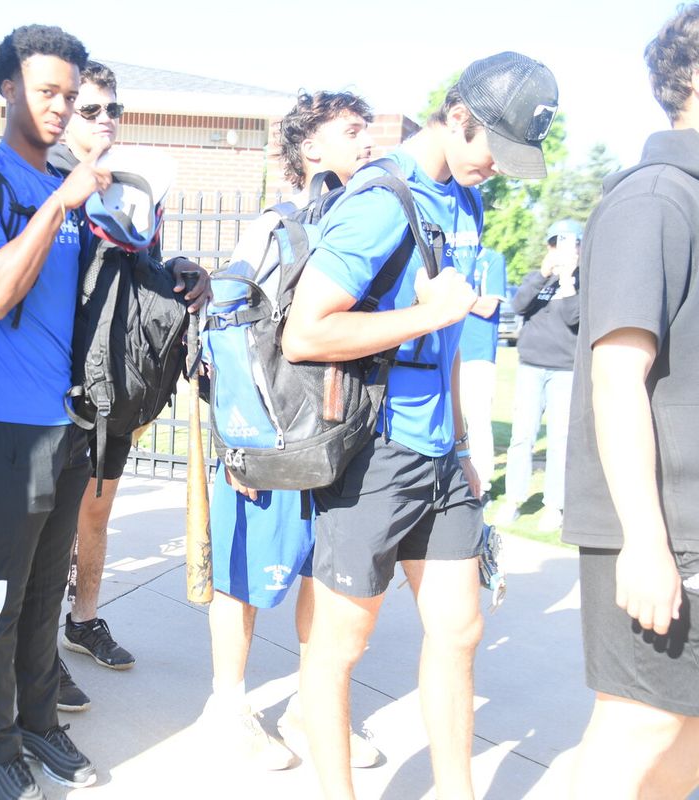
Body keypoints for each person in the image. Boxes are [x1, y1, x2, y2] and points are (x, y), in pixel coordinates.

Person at [281, 53, 557, 799]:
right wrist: (429, 312)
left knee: (460, 630)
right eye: (496, 147)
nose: (501, 168)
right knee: (340, 646)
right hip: (374, 456)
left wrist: (463, 445)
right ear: (458, 117)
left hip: (440, 458)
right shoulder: (382, 199)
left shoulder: (462, 196)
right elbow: (304, 333)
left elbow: (442, 352)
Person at [0, 25, 108, 799]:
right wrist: (58, 206)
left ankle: (39, 721)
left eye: (70, 96)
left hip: (68, 420)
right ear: (8, 86)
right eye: (47, 91)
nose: (60, 107)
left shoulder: (68, 187)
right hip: (6, 427)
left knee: (47, 590)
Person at [202, 90, 383, 772]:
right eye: (351, 130)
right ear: (311, 147)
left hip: (336, 432)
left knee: (323, 571)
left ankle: (312, 709)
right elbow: (226, 322)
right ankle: (229, 708)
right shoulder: (273, 225)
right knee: (242, 575)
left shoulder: (361, 220)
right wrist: (243, 440)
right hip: (270, 432)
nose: (366, 141)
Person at [47, 61, 210, 713]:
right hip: (55, 387)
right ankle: (32, 652)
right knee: (44, 525)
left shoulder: (134, 187)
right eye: (91, 110)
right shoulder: (45, 184)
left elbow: (138, 264)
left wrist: (178, 267)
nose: (106, 121)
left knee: (94, 510)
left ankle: (82, 620)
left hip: (115, 383)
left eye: (112, 109)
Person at [565, 5, 699, 797]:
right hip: (659, 529)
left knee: (685, 723)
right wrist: (647, 545)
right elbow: (617, 372)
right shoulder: (655, 198)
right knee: (638, 721)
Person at [497, 219, 581, 532]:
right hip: (531, 365)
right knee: (522, 436)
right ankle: (513, 500)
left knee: (560, 439)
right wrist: (545, 273)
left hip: (565, 369)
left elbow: (575, 317)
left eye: (570, 244)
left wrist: (569, 280)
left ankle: (553, 505)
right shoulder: (538, 279)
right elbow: (518, 305)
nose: (561, 251)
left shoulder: (583, 282)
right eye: (556, 244)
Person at [458, 246, 507, 494]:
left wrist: (455, 297)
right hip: (449, 349)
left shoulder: (491, 259)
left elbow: (488, 307)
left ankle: (482, 484)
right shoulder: (448, 256)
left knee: (477, 420)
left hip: (477, 353)